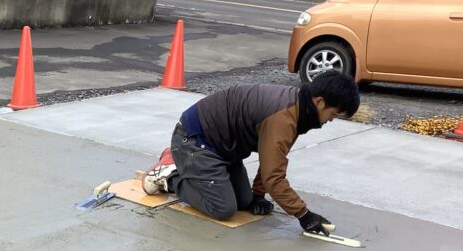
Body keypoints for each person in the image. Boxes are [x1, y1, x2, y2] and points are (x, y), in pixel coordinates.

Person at [141, 71, 360, 233]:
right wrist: (304, 215)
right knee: (223, 208)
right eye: (333, 114)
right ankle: (170, 175)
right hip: (194, 140)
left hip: (222, 149)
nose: (331, 120)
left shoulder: (297, 109)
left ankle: (181, 163)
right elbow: (274, 177)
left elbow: (272, 160)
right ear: (319, 102)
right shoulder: (285, 116)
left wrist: (257, 195)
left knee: (244, 202)